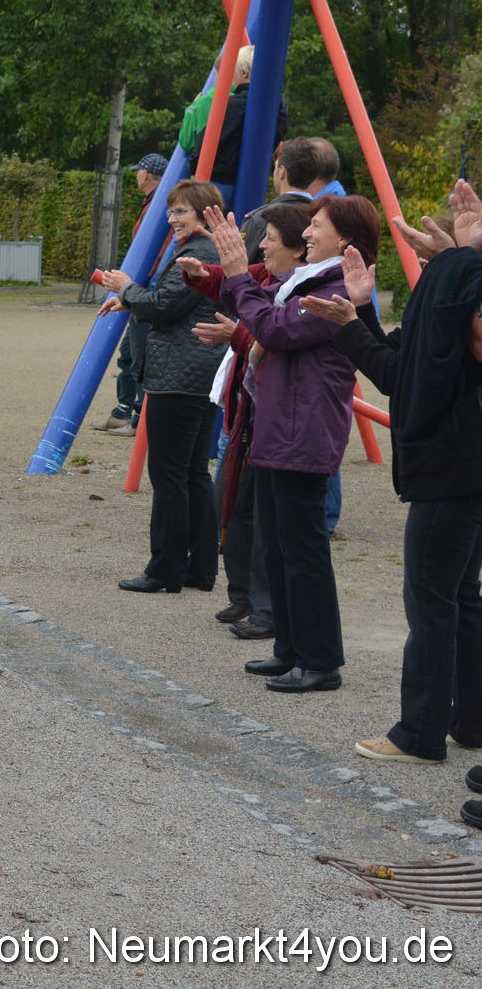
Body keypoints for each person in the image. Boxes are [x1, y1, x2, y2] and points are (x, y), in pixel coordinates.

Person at [299, 183, 482, 767]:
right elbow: (397, 366)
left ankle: (419, 733)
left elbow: (407, 378)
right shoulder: (447, 329)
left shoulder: (457, 323)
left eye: (434, 269)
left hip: (451, 472)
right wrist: (359, 314)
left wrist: (459, 255)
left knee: (431, 599)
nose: (427, 272)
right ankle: (470, 720)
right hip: (463, 470)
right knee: (460, 597)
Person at [205, 195, 379, 693]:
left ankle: (321, 660)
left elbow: (275, 330)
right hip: (282, 424)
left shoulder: (336, 288)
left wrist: (238, 273)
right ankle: (290, 648)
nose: (306, 233)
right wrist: (221, 276)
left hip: (305, 429)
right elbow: (260, 307)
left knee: (303, 550)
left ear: (344, 240)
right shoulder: (307, 278)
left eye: (316, 226)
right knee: (280, 546)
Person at [181, 202, 313, 640]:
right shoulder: (268, 274)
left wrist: (234, 334)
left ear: (297, 249)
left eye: (271, 238)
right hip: (247, 409)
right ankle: (243, 594)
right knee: (234, 505)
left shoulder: (307, 285)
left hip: (279, 417)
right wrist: (201, 273)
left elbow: (276, 334)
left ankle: (267, 609)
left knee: (265, 519)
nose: (262, 245)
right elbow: (230, 284)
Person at [98, 180, 225, 595]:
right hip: (200, 373)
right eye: (171, 211)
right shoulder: (210, 250)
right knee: (192, 473)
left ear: (205, 214)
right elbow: (169, 303)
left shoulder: (197, 252)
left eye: (181, 212)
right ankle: (200, 567)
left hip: (179, 375)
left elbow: (164, 306)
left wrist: (126, 288)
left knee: (169, 473)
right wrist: (131, 300)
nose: (172, 219)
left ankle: (165, 568)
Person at [92, 153, 167, 437]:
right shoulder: (153, 203)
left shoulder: (159, 206)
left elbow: (157, 252)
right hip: (138, 289)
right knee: (128, 355)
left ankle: (136, 418)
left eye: (138, 172)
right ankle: (123, 412)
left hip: (143, 290)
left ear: (146, 174)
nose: (136, 176)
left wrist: (133, 288)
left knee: (138, 356)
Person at [175, 45, 287, 211]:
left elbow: (199, 143)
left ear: (244, 74)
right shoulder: (278, 107)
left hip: (218, 181)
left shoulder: (227, 105)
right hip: (252, 184)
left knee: (192, 230)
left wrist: (194, 165)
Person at [241, 137, 338, 263]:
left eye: (276, 167)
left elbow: (239, 265)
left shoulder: (259, 218)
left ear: (282, 171)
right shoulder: (327, 218)